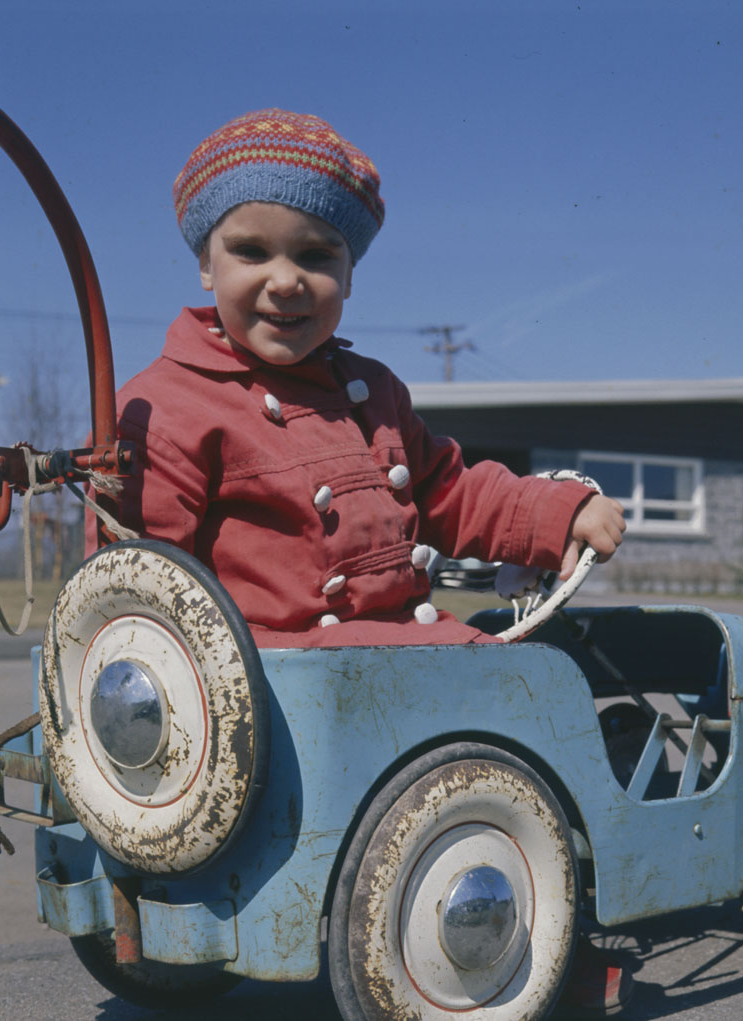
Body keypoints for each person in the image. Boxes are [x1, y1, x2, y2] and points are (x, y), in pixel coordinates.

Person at [100, 108, 631, 1015]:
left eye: (317, 256)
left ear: (349, 271)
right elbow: (145, 581)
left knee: (541, 667)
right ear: (204, 261)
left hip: (396, 660)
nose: (285, 282)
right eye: (251, 251)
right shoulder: (170, 404)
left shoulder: (373, 392)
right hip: (281, 683)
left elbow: (454, 494)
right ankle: (538, 919)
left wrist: (558, 509)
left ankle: (564, 877)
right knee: (532, 693)